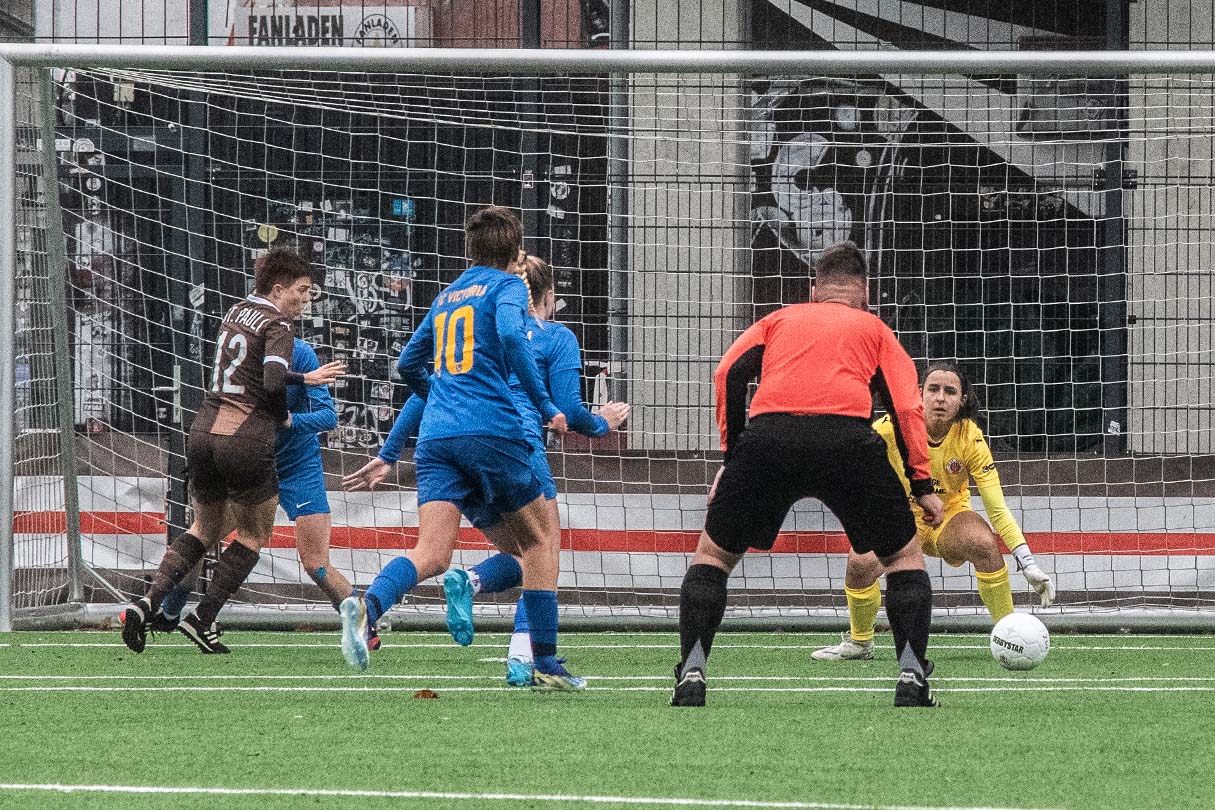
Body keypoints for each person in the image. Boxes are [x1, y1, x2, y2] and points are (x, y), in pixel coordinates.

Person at [671, 241, 945, 709]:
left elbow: (727, 374)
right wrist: (922, 485)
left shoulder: (777, 320)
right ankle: (912, 676)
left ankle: (692, 670)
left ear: (814, 289)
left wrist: (733, 459)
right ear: (865, 292)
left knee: (713, 555)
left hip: (769, 440)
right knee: (902, 558)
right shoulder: (875, 329)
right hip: (847, 442)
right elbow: (905, 407)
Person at [345, 253, 629, 686]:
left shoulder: (473, 327)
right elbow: (571, 410)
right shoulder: (554, 337)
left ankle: (381, 603)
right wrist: (602, 423)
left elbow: (427, 389)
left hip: (446, 443)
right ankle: (530, 660)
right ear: (548, 296)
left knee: (438, 552)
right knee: (542, 549)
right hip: (511, 444)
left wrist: (389, 452)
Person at [121, 248, 338, 654]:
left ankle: (147, 602)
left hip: (203, 431)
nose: (306, 299)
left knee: (202, 530)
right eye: (302, 290)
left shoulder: (235, 312)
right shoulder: (278, 323)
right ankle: (202, 618)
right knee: (254, 535)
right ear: (278, 289)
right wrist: (284, 416)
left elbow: (254, 369)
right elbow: (272, 381)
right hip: (244, 440)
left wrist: (302, 378)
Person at [812, 362, 1056, 661]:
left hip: (948, 518)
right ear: (920, 394)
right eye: (934, 389)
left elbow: (997, 508)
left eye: (950, 391)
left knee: (983, 543)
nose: (941, 398)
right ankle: (860, 643)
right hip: (899, 519)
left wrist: (1027, 562)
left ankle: (1008, 633)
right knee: (860, 561)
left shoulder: (970, 438)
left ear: (962, 400)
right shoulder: (888, 430)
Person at [150, 337, 355, 649]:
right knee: (204, 534)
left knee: (316, 563)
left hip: (298, 464)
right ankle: (168, 613)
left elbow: (328, 417)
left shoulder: (300, 353)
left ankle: (364, 625)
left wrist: (288, 419)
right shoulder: (239, 354)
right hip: (250, 462)